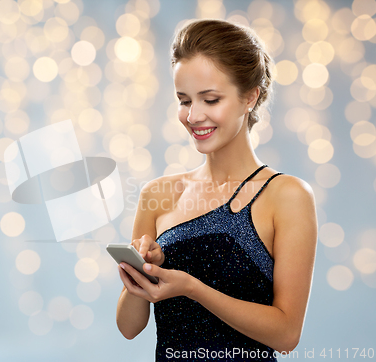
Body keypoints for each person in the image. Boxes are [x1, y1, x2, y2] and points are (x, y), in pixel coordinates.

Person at [115, 19, 317, 362]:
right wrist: (140, 274)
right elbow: (129, 327)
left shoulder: (286, 196)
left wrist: (192, 289)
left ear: (250, 97)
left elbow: (286, 335)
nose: (193, 116)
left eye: (210, 99)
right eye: (183, 100)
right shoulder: (157, 194)